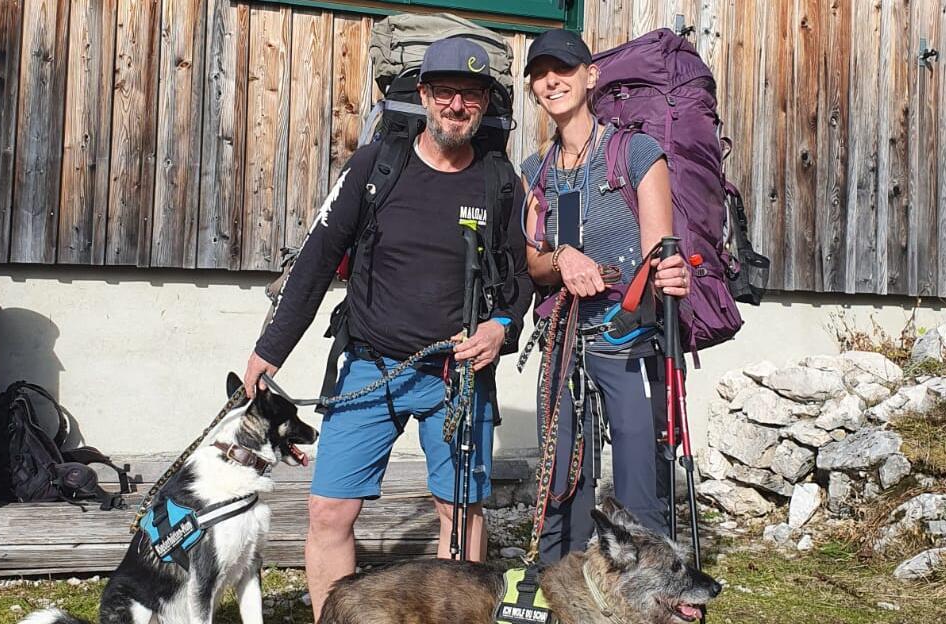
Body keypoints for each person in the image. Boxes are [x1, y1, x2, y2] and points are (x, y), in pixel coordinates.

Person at [242, 37, 532, 621]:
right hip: (371, 370)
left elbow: (519, 279)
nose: (456, 105)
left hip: (458, 376)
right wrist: (268, 351)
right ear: (423, 95)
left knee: (461, 514)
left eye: (470, 94)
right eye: (445, 91)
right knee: (329, 511)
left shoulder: (501, 183)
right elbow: (318, 258)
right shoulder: (376, 167)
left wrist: (502, 325)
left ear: (484, 104)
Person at [519, 29, 692, 562]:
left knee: (640, 477)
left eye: (565, 70)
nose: (553, 81)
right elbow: (535, 265)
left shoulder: (637, 152)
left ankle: (652, 590)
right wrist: (562, 259)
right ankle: (559, 586)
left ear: (591, 77)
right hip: (564, 340)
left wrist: (671, 273)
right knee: (561, 480)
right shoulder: (535, 171)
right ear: (533, 89)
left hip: (626, 337)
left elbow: (658, 253)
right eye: (542, 74)